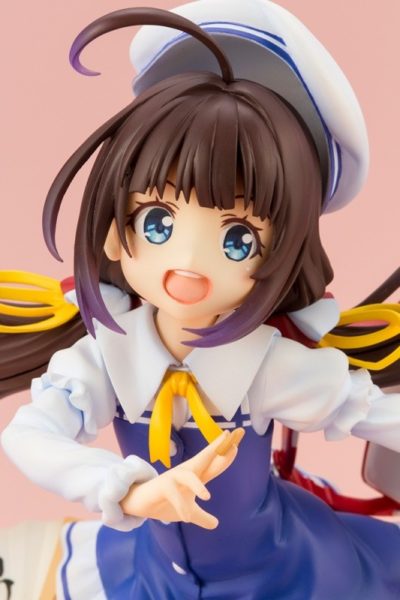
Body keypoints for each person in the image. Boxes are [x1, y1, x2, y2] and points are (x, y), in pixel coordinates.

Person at [1, 1, 399, 598]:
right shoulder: (110, 357)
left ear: (280, 257)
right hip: (152, 573)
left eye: (238, 239)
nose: (188, 262)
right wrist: (126, 488)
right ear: (114, 231)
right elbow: (30, 435)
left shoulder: (266, 365)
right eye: (157, 223)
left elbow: (370, 411)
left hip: (284, 575)